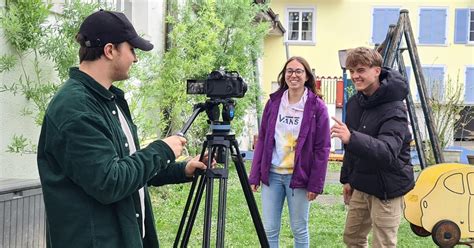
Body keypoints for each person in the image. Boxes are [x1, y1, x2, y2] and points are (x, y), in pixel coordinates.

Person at [37, 10, 208, 248]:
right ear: (109, 50)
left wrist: (182, 170)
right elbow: (110, 181)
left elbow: (128, 168)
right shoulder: (76, 108)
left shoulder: (109, 101)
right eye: (132, 50)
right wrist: (162, 150)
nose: (136, 58)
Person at [330, 47, 415, 247]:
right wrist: (348, 180)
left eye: (360, 70)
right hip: (362, 184)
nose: (355, 76)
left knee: (383, 244)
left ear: (376, 71)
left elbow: (387, 152)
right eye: (351, 71)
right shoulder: (354, 104)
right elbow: (351, 149)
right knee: (352, 237)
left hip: (387, 188)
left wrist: (352, 138)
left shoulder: (395, 108)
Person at [249, 56, 331, 247]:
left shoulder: (316, 106)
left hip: (299, 178)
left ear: (307, 76)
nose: (293, 75)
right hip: (272, 175)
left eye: (298, 71)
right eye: (289, 71)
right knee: (269, 229)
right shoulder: (274, 102)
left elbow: (322, 148)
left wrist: (315, 184)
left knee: (299, 229)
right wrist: (255, 175)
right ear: (284, 75)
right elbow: (263, 139)